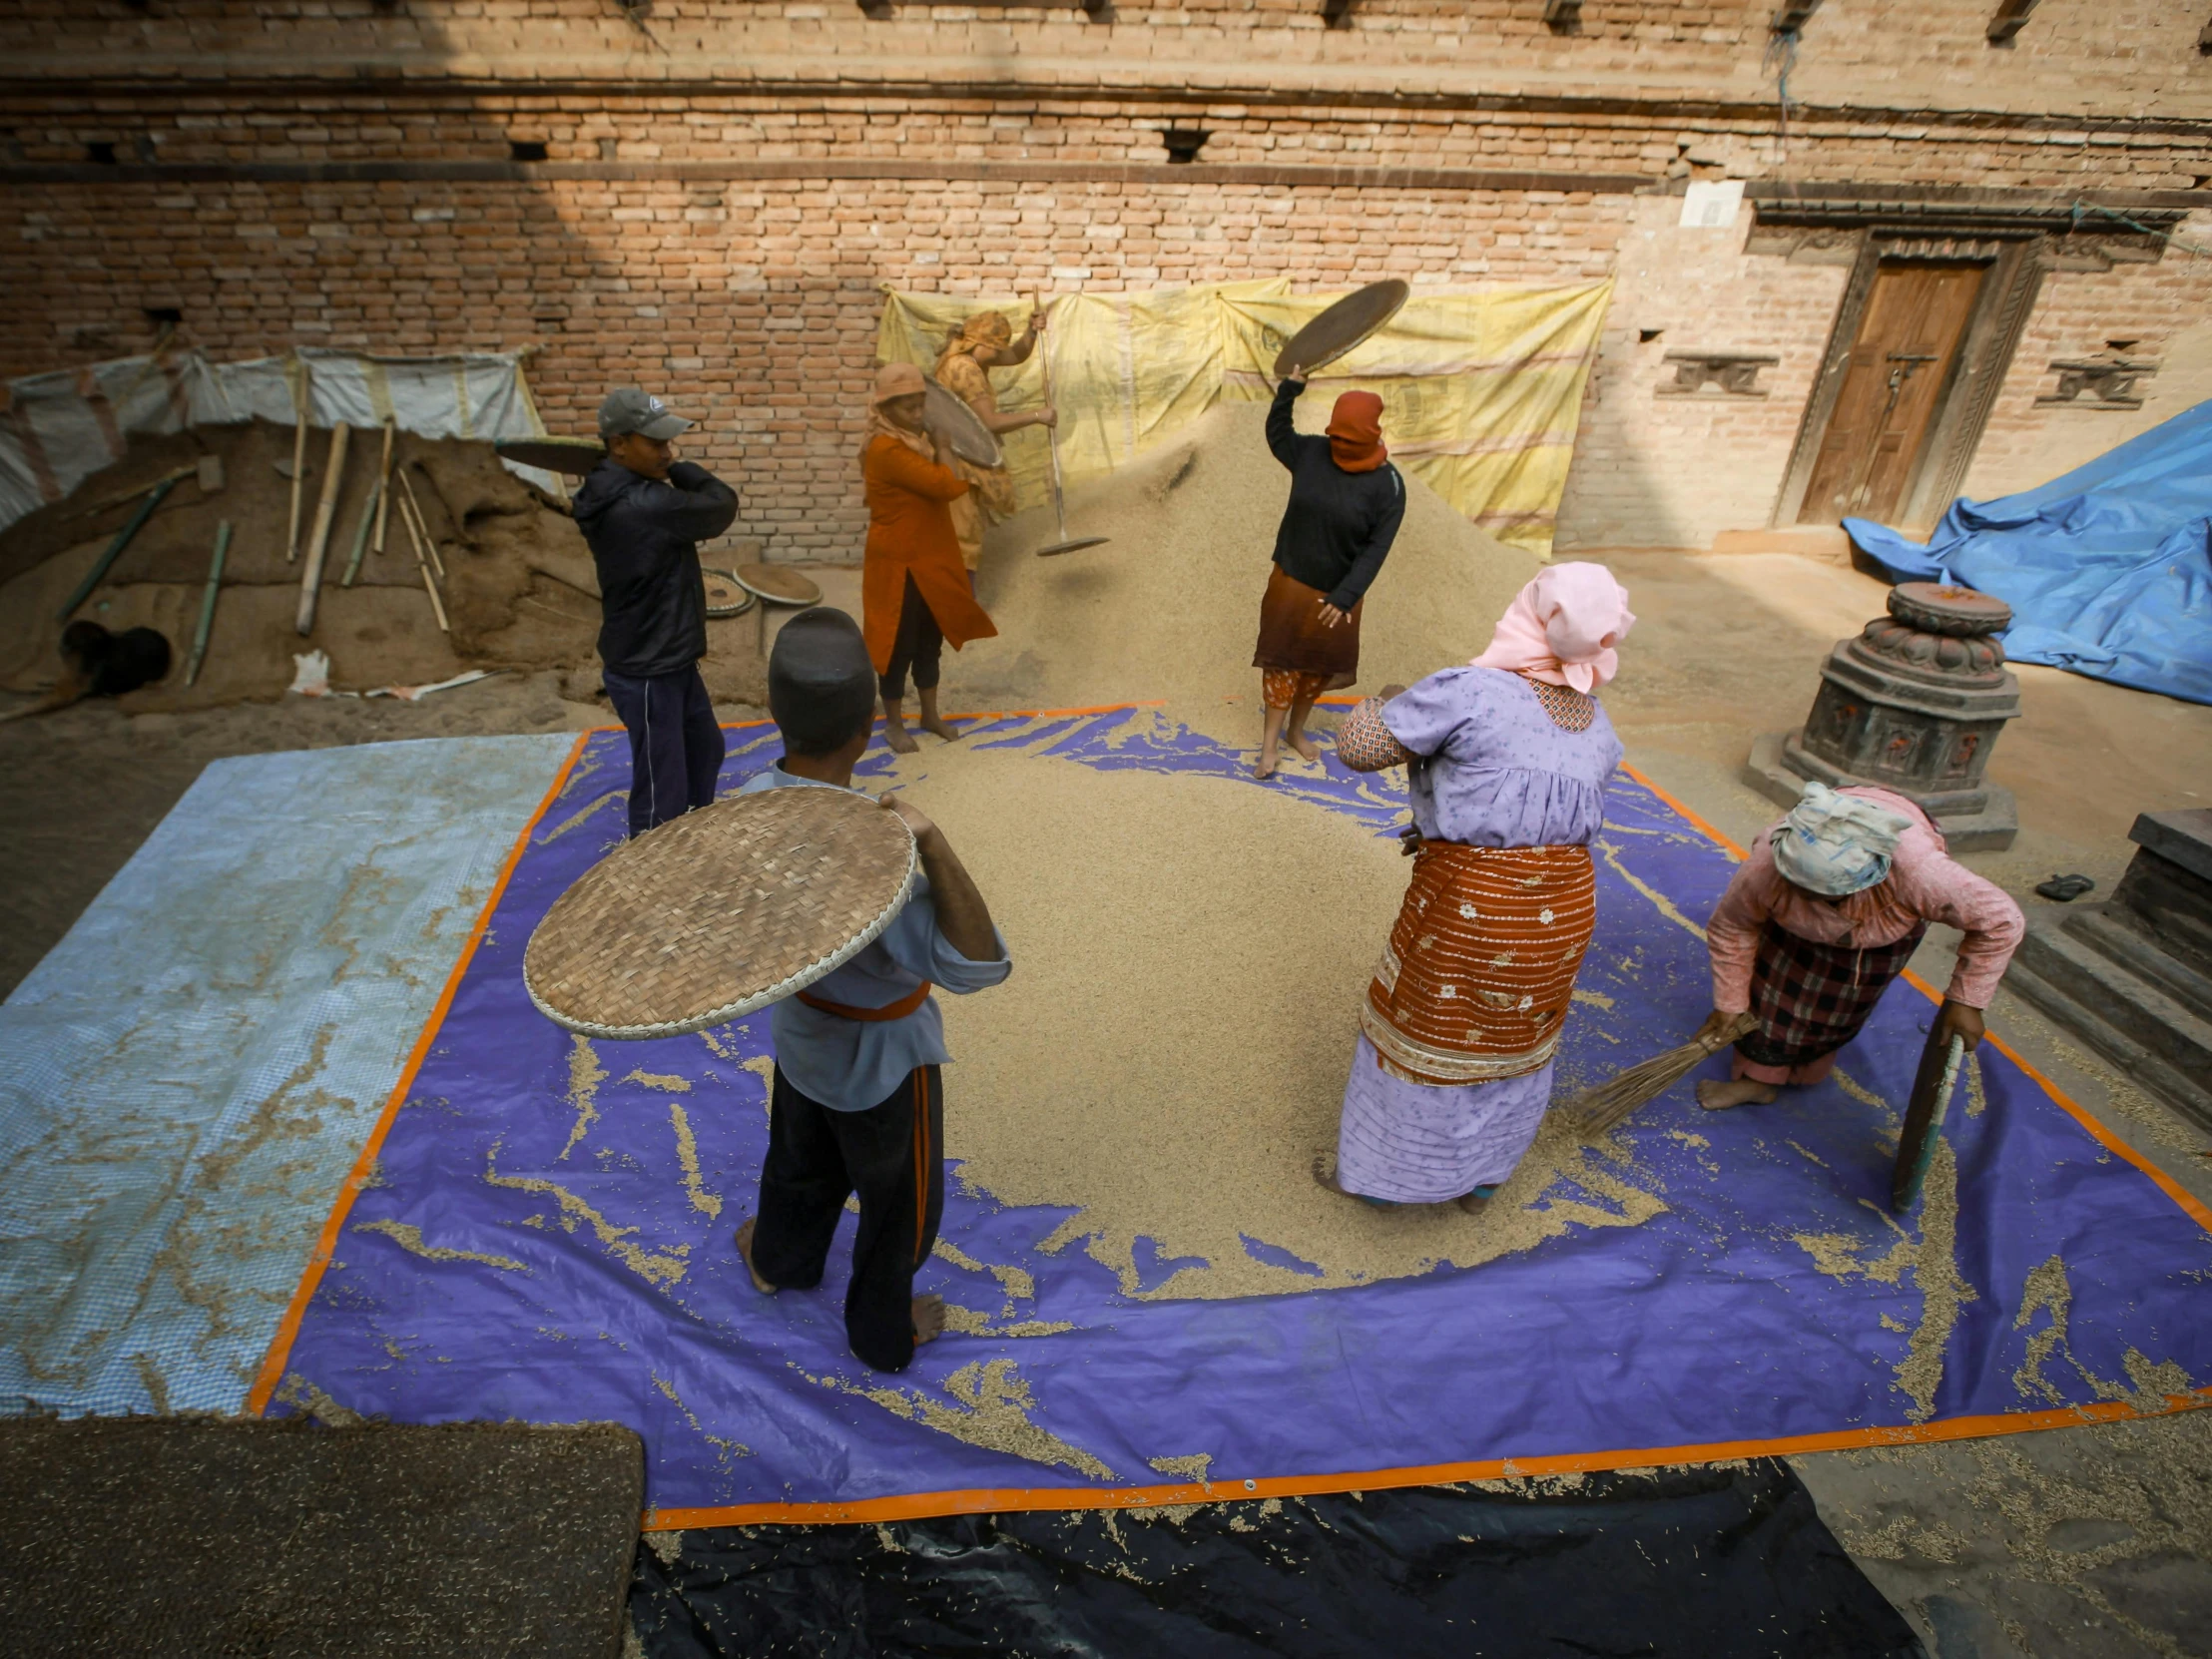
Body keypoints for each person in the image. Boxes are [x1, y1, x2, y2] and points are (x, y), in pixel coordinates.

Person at [733, 607, 1012, 1372]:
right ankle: (885, 1331)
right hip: (883, 1066)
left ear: (777, 716)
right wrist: (932, 842)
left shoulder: (744, 805)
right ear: (865, 728)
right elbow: (977, 964)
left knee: (796, 1159)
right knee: (900, 1209)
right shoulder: (878, 856)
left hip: (800, 1040)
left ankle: (778, 1261)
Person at [1320, 564, 1635, 1211]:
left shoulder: (1470, 693)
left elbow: (1358, 747)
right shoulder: (1598, 727)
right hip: (1564, 908)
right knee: (1514, 1040)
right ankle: (1482, 1181)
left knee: (1429, 1033)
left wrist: (1384, 701)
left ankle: (1388, 1179)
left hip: (1473, 906)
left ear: (1532, 614)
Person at [1692, 781, 2025, 1111]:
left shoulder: (1918, 874)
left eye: (1817, 894)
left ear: (1864, 882)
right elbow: (1731, 927)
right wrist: (1730, 1003)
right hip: (1789, 932)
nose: (1802, 897)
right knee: (1770, 996)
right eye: (1795, 888)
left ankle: (1805, 1069)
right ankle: (1757, 1081)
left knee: (1838, 1007)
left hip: (1873, 939)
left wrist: (1966, 1000)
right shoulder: (1769, 864)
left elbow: (2001, 920)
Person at [572, 386, 740, 837]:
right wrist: (683, 470)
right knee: (660, 784)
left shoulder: (619, 488)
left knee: (705, 749)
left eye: (670, 443)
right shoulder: (641, 505)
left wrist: (662, 466)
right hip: (647, 666)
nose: (667, 453)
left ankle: (690, 837)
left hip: (668, 655)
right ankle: (649, 861)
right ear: (619, 445)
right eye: (656, 444)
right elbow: (721, 504)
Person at [1253, 369, 1405, 780]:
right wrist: (1289, 389)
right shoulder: (1312, 453)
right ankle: (1269, 745)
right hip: (1291, 583)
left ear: (1372, 436)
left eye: (1350, 440)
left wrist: (1346, 594)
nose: (1340, 446)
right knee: (1283, 665)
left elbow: (1377, 549)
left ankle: (1296, 731)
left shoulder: (1388, 486)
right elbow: (1277, 432)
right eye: (1336, 437)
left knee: (1315, 669)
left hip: (1338, 596)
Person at [860, 362, 1000, 755]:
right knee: (897, 643)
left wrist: (934, 445)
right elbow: (945, 485)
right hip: (899, 562)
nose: (919, 415)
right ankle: (892, 723)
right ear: (884, 410)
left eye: (921, 405)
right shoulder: (886, 448)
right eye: (909, 409)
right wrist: (942, 446)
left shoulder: (910, 441)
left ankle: (929, 714)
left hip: (930, 557)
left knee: (929, 640)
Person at [931, 306, 1056, 572]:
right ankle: (962, 603)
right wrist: (1038, 415)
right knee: (963, 538)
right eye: (997, 348)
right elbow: (990, 423)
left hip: (952, 454)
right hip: (960, 461)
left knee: (960, 534)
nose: (1000, 355)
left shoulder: (960, 354)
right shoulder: (967, 370)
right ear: (980, 342)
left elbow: (1014, 355)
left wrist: (1032, 332)